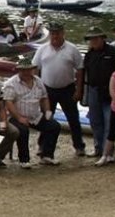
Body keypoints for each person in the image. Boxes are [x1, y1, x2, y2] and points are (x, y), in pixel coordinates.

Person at [31, 21, 86, 157]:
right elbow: (34, 69)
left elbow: (80, 70)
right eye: (52, 33)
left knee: (73, 119)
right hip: (47, 90)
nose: (55, 36)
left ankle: (79, 146)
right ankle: (42, 145)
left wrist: (79, 90)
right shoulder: (42, 49)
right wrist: (35, 89)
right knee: (47, 118)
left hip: (67, 89)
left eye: (57, 33)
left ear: (63, 33)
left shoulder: (72, 49)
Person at [2, 59, 61, 168]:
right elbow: (8, 102)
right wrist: (19, 118)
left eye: (29, 70)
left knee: (54, 126)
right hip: (17, 116)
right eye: (23, 70)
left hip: (35, 116)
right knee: (23, 130)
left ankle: (47, 155)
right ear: (19, 70)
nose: (26, 72)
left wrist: (47, 112)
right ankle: (24, 159)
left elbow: (44, 98)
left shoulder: (38, 81)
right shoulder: (11, 84)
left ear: (32, 70)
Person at [82, 26, 115, 158]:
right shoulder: (88, 55)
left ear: (102, 38)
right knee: (95, 121)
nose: (94, 41)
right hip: (93, 91)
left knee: (109, 121)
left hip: (110, 92)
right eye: (91, 39)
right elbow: (85, 75)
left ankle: (108, 151)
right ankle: (98, 147)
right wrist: (84, 96)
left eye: (96, 38)